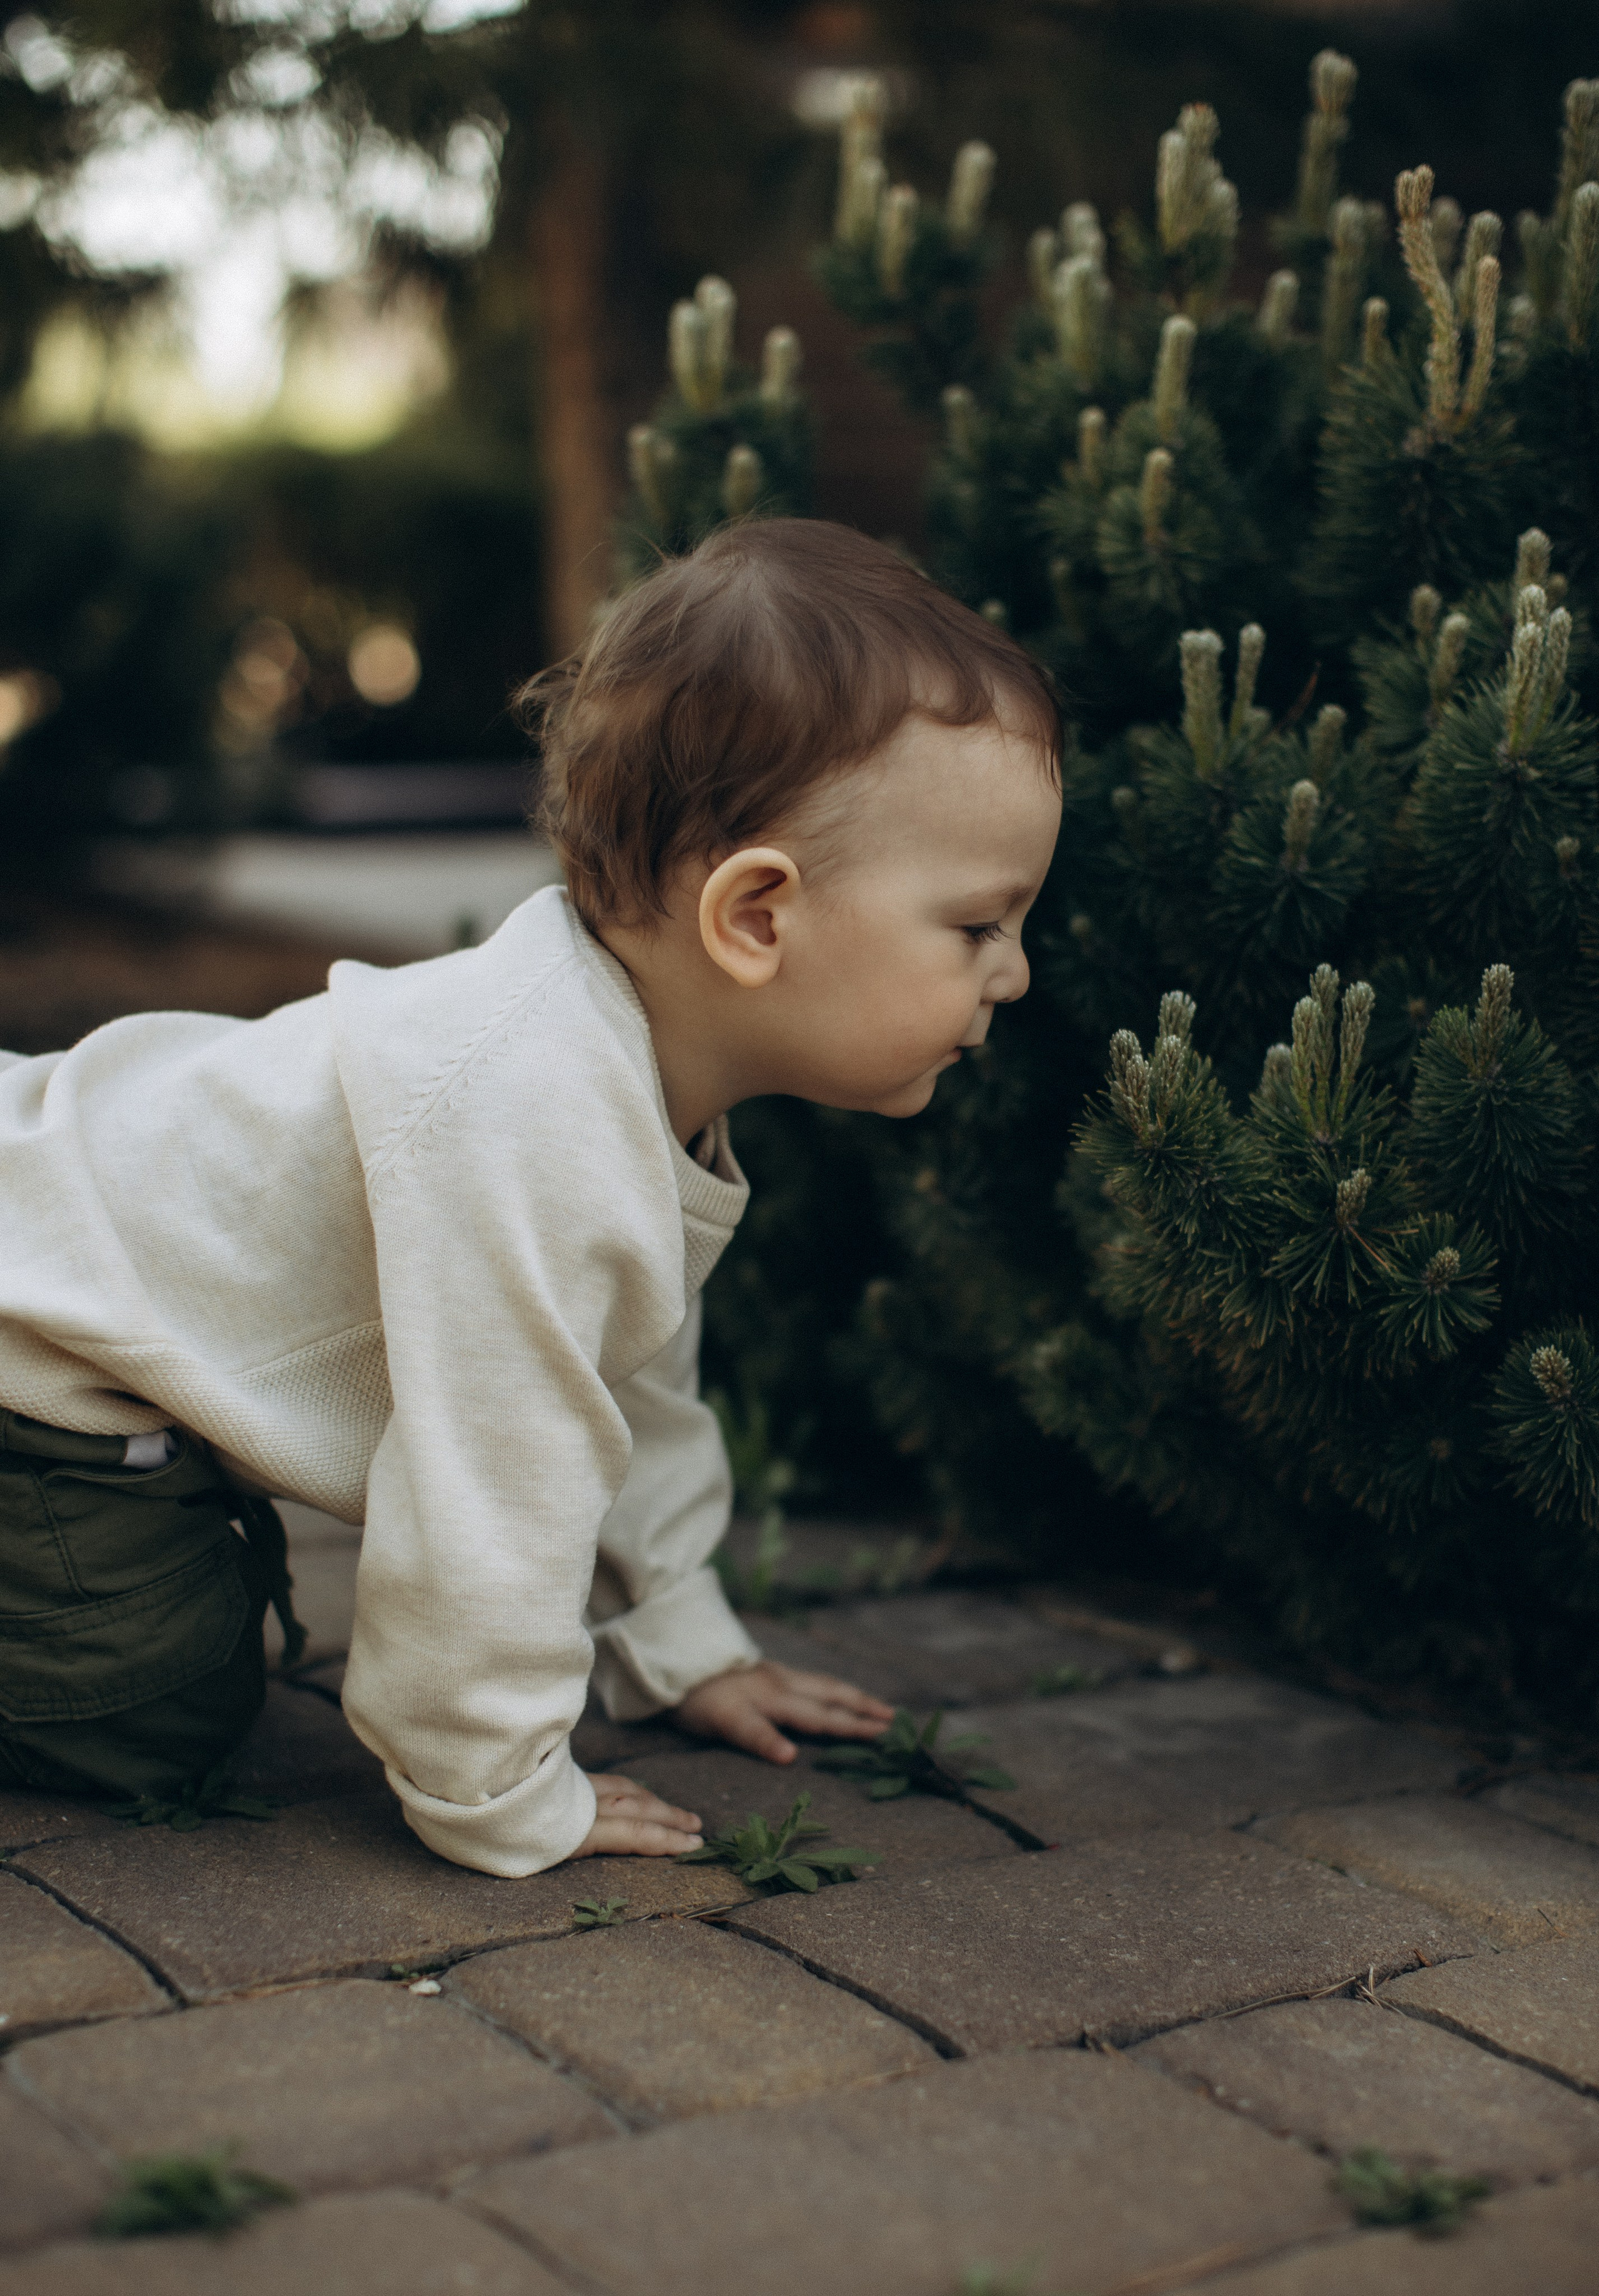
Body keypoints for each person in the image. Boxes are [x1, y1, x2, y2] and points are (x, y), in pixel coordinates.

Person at [0, 519, 1062, 1876]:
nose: (1013, 971)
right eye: (978, 924)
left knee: (191, 1603)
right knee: (155, 1700)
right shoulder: (527, 1111)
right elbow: (492, 1483)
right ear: (754, 917)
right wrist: (495, 1784)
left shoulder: (632, 1074)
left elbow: (622, 1384)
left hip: (80, 1321)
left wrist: (672, 1640)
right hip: (31, 1340)